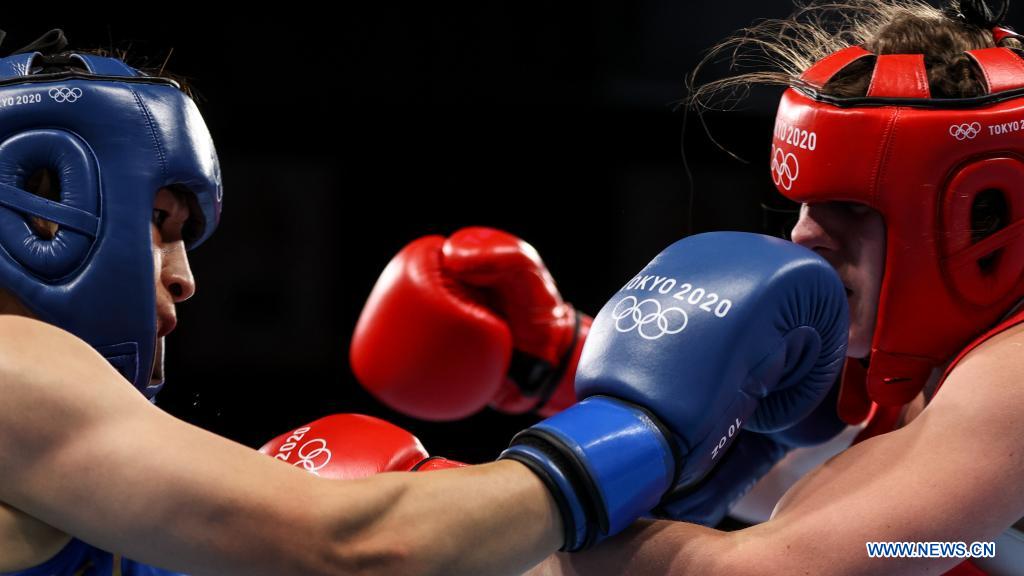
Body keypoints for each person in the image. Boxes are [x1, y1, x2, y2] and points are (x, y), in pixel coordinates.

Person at [0, 28, 847, 576]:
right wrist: (642, 435)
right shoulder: (14, 364)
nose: (184, 276)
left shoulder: (76, 466)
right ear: (43, 206)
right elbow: (358, 548)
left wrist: (635, 505)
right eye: (156, 224)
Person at [352, 1, 1024, 574]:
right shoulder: (912, 374)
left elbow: (784, 567)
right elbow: (849, 514)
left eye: (852, 208)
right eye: (806, 205)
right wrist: (563, 359)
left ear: (980, 214)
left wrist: (459, 515)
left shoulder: (1013, 372)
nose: (804, 236)